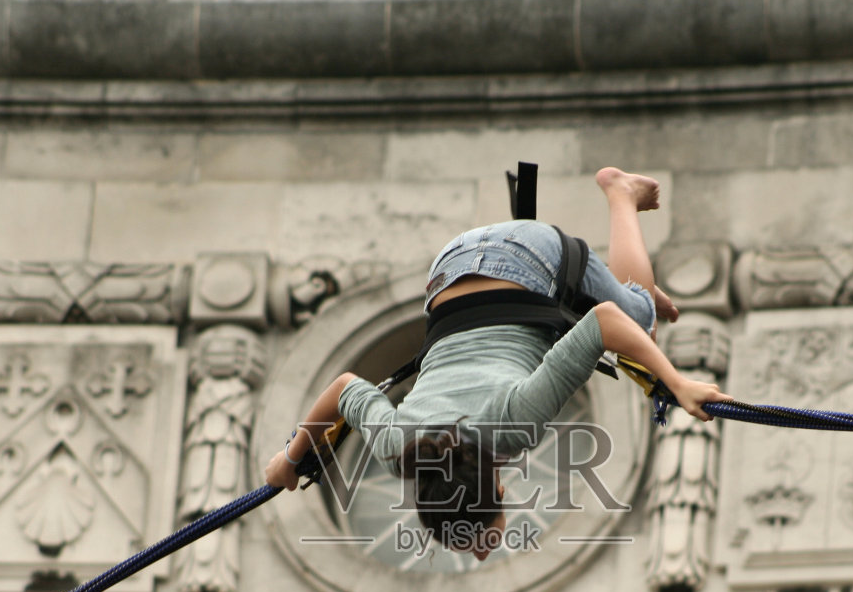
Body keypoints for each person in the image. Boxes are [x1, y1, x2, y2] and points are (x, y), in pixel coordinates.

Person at [264, 167, 732, 560]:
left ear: (501, 492)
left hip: (531, 257)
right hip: (450, 266)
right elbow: (345, 387)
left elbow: (604, 322)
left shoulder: (513, 427)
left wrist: (677, 383)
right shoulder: (397, 449)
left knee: (639, 326)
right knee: (619, 314)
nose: (482, 555)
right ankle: (627, 284)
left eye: (481, 542)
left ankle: (620, 194)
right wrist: (289, 459)